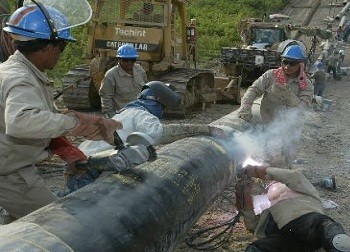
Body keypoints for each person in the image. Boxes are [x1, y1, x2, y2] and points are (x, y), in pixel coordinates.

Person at [0, 3, 122, 221]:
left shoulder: (19, 72)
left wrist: (68, 147)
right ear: (48, 47)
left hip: (11, 164)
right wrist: (74, 123)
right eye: (62, 46)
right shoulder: (20, 79)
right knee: (55, 224)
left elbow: (40, 116)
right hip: (8, 172)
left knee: (18, 224)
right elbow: (21, 121)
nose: (61, 53)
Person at [67, 81, 224, 192]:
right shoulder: (142, 114)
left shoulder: (124, 112)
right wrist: (205, 129)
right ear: (157, 102)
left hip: (78, 164)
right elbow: (159, 133)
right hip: (93, 169)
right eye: (163, 107)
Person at [235, 165, 350, 252]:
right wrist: (243, 195)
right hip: (287, 237)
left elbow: (293, 176)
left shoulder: (303, 191)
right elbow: (252, 225)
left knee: (332, 233)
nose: (269, 184)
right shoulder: (267, 207)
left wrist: (257, 171)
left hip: (305, 221)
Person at [237, 44, 313, 168]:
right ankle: (262, 174)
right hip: (268, 121)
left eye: (292, 63)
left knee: (288, 153)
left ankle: (286, 174)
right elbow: (253, 90)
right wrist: (246, 106)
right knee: (264, 152)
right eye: (285, 62)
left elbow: (302, 108)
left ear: (300, 64)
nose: (287, 66)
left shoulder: (306, 84)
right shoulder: (271, 76)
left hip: (291, 126)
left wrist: (290, 98)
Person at [99, 44, 148, 117]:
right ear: (119, 59)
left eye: (132, 60)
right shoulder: (111, 75)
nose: (129, 63)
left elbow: (146, 88)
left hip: (141, 112)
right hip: (123, 115)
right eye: (126, 60)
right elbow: (106, 98)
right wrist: (111, 116)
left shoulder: (139, 70)